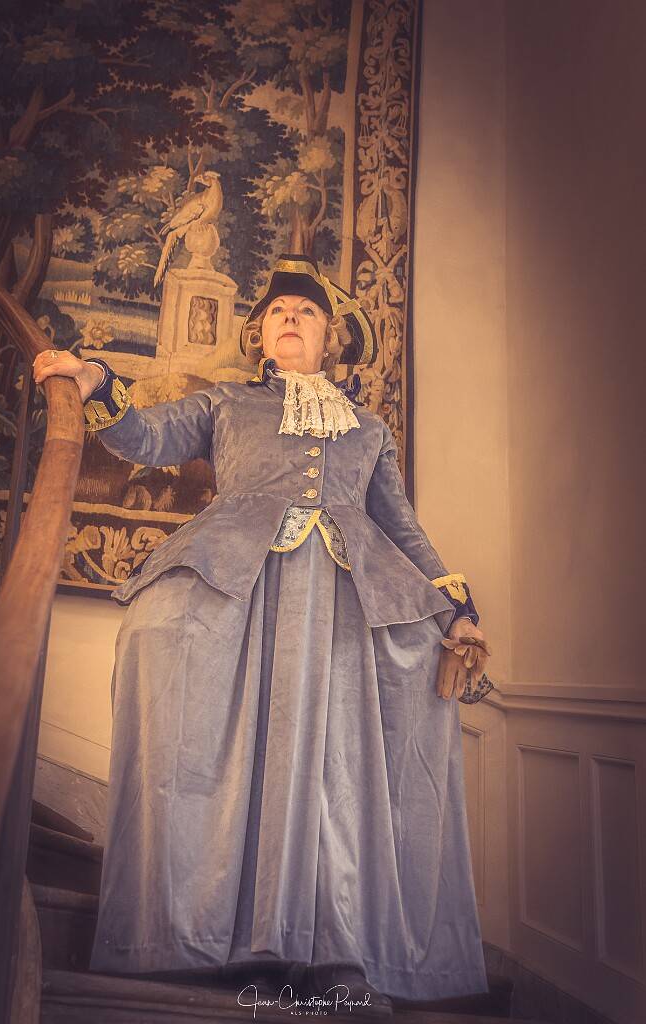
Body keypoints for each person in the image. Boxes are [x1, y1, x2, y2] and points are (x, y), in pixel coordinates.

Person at [32, 254, 492, 1013]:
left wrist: (458, 608)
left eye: (305, 312)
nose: (289, 318)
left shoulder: (368, 430)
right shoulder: (224, 403)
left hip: (345, 607)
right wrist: (96, 385)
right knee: (216, 742)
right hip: (236, 592)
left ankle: (333, 949)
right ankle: (202, 935)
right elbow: (146, 437)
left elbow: (402, 528)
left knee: (336, 771)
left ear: (330, 338)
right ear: (258, 333)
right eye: (277, 310)